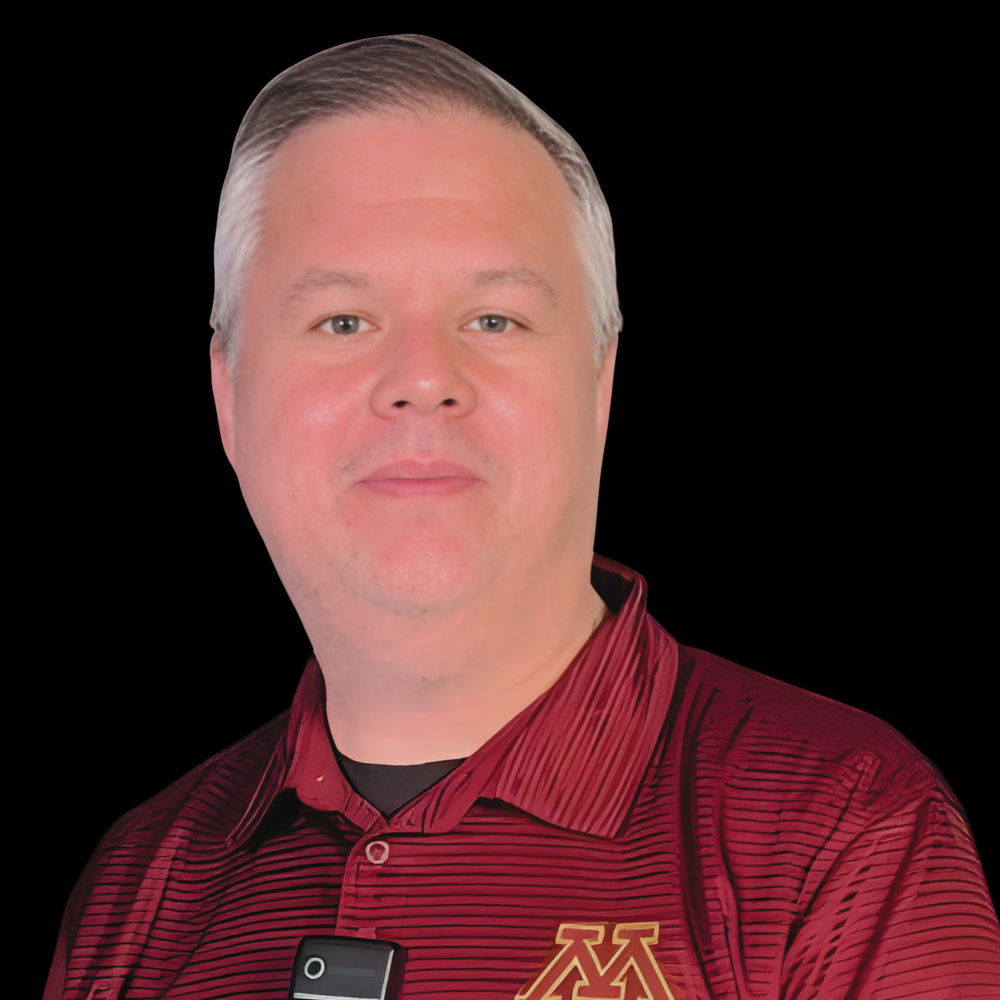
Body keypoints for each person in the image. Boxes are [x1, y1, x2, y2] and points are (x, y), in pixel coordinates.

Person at [47, 34, 998, 1000]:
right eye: (342, 321)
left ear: (599, 383)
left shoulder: (843, 834)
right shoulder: (140, 887)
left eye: (493, 319)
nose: (422, 380)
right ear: (228, 400)